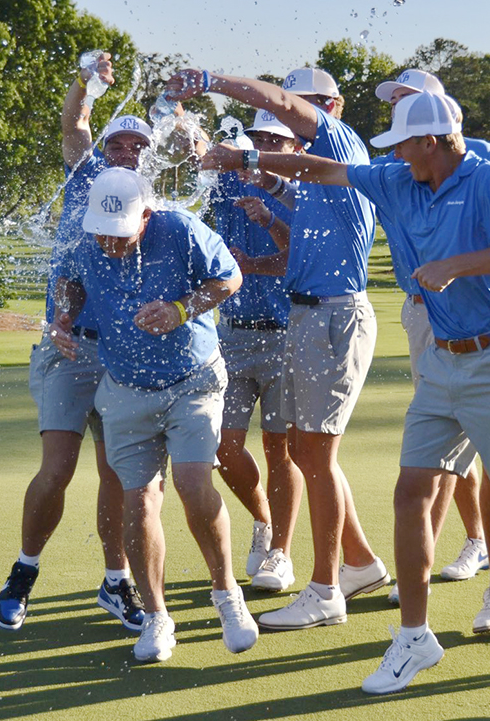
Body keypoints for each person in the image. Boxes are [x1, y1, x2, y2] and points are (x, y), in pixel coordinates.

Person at [201, 92, 490, 714]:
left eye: (404, 144)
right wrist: (244, 157)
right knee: (411, 492)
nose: (396, 155)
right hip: (440, 364)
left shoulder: (487, 180)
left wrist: (456, 265)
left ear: (431, 141)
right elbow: (321, 169)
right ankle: (413, 637)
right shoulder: (399, 178)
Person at [168, 67, 390, 630]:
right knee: (313, 455)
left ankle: (325, 589)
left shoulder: (337, 140)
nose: (290, 112)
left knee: (313, 456)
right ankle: (359, 565)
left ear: (330, 107)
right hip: (311, 317)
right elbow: (285, 200)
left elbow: (269, 112)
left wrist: (212, 79)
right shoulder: (313, 174)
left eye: (300, 105)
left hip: (332, 315)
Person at [51, 166, 258, 662]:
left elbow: (230, 276)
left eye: (119, 232)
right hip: (124, 389)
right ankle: (157, 617)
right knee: (139, 502)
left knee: (191, 482)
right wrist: (62, 315)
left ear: (147, 215)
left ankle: (227, 594)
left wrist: (182, 308)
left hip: (193, 379)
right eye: (102, 231)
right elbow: (70, 283)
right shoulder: (87, 237)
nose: (109, 242)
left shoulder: (181, 228)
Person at [0, 52, 149, 633]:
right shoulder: (84, 173)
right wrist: (86, 78)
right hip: (69, 347)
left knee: (120, 474)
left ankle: (117, 582)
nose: (127, 152)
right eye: (120, 143)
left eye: (138, 146)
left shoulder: (150, 199)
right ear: (105, 147)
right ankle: (23, 574)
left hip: (123, 357)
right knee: (57, 469)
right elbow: (74, 123)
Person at [372, 70, 490, 606]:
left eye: (407, 102)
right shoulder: (393, 167)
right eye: (394, 103)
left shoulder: (478, 160)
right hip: (419, 307)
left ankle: (448, 557)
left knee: (453, 444)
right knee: (444, 440)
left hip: (469, 311)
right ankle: (469, 543)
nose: (397, 110)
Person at [209, 109, 305, 591]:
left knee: (279, 450)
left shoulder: (305, 194)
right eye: (258, 138)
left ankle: (281, 554)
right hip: (232, 335)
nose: (264, 145)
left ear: (294, 149)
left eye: (275, 139)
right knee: (224, 446)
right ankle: (264, 523)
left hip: (287, 334)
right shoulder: (229, 185)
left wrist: (268, 225)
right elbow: (199, 159)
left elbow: (296, 264)